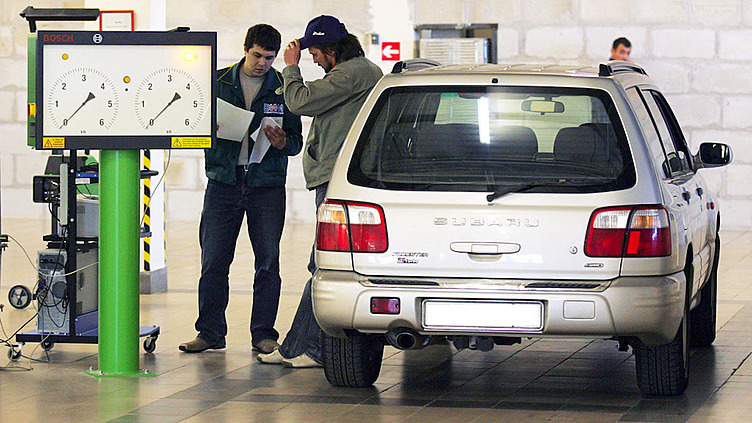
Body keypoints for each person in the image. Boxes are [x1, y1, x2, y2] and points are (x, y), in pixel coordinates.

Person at [257, 15, 383, 368]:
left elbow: (299, 101)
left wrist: (290, 69)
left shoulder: (353, 72)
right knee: (323, 264)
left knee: (322, 264)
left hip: (336, 181)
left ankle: (309, 349)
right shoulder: (355, 73)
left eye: (314, 52)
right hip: (336, 177)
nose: (312, 59)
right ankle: (300, 348)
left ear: (330, 49)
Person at [180, 24, 303, 354]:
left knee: (267, 262)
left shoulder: (283, 87)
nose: (262, 63)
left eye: (269, 57)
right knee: (214, 261)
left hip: (266, 186)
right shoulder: (217, 81)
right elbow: (189, 124)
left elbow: (296, 142)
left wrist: (281, 143)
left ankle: (263, 333)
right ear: (245, 49)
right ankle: (210, 332)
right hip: (223, 181)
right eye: (257, 55)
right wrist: (208, 128)